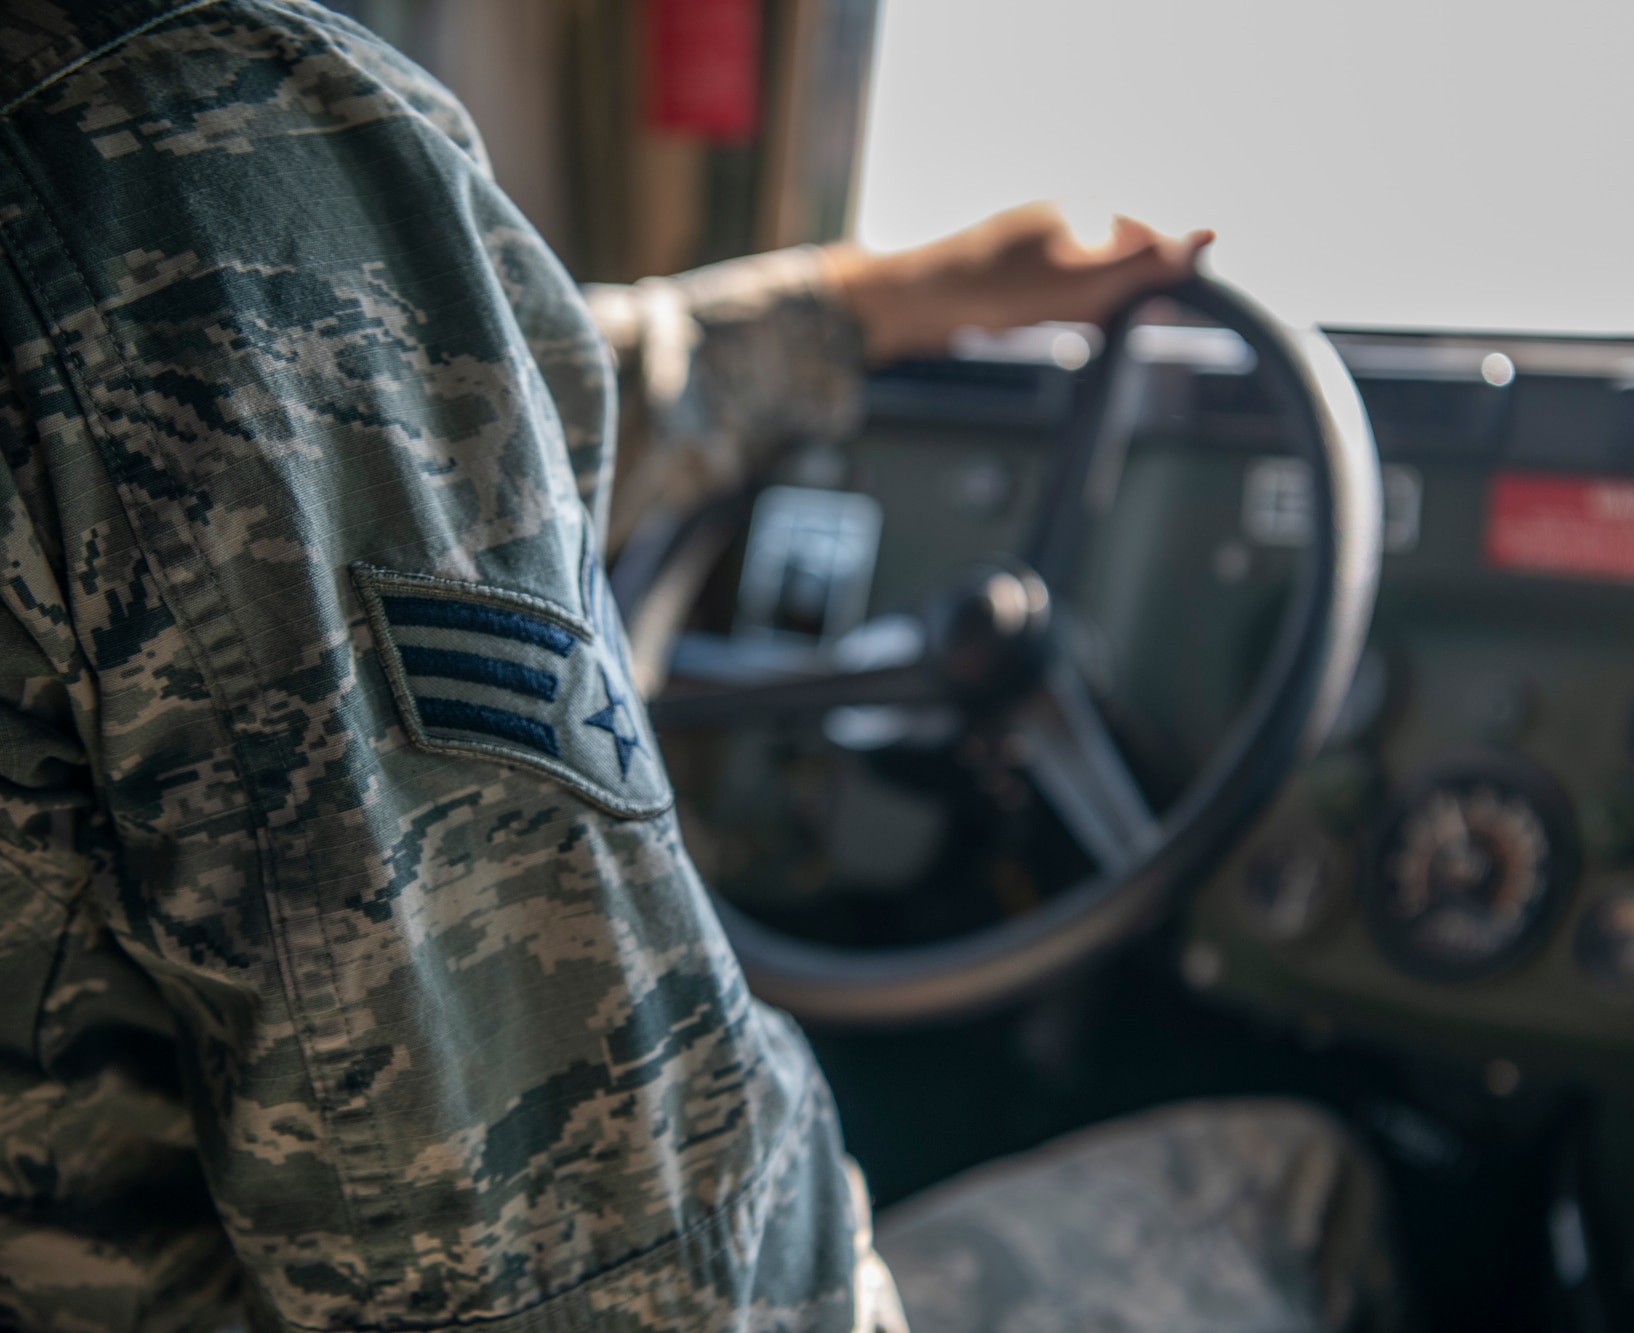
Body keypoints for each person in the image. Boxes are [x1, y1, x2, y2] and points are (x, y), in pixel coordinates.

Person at [0, 2, 1398, 1329]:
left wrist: (866, 304)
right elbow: (628, 1294)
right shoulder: (168, 119)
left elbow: (369, 439)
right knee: (1299, 1179)